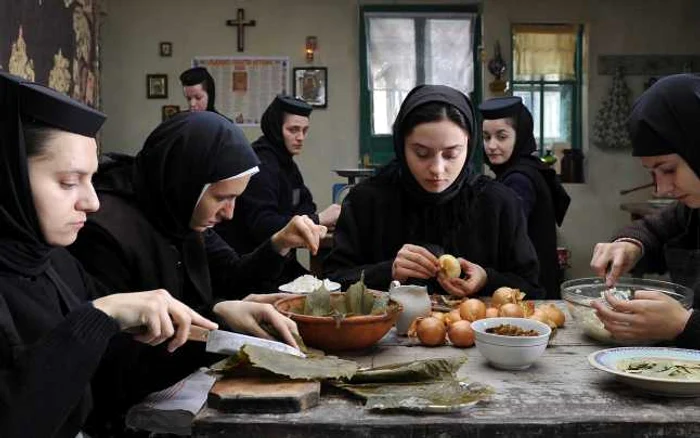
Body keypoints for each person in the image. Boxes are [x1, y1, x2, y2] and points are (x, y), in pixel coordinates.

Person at [0, 72, 220, 437]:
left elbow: (113, 376)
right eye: (69, 182)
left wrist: (216, 330)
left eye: (91, 179)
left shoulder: (54, 262)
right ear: (10, 177)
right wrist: (100, 316)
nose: (92, 201)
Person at [323, 85, 543, 298]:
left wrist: (487, 279)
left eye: (451, 154)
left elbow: (532, 288)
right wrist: (387, 271)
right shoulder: (367, 201)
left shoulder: (498, 203)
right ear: (401, 145)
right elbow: (332, 281)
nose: (437, 169)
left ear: (469, 144)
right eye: (421, 153)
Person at [589, 74, 700, 349]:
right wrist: (630, 245)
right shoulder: (692, 211)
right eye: (652, 173)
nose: (661, 189)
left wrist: (684, 324)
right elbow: (654, 229)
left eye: (668, 169)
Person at [216, 95, 341, 283]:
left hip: (281, 263)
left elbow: (306, 203)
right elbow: (264, 226)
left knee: (325, 288)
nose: (300, 137)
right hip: (250, 267)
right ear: (276, 128)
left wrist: (310, 218)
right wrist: (320, 219)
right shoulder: (262, 163)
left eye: (305, 130)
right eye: (293, 130)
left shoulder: (287, 164)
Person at [479, 96, 571, 298]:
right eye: (486, 137)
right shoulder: (527, 167)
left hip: (529, 291)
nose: (491, 145)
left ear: (519, 136)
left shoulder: (518, 179)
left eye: (501, 137)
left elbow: (504, 235)